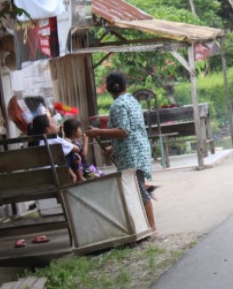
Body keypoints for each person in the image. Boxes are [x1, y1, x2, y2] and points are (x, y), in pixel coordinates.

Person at [85, 71, 157, 234]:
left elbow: (124, 131)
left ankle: (152, 227)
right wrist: (113, 147)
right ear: (125, 86)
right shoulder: (132, 100)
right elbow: (132, 129)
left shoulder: (118, 105)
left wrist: (98, 132)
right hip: (138, 150)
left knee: (138, 190)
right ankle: (143, 226)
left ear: (109, 88)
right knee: (136, 189)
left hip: (131, 154)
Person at [30, 113, 82, 182]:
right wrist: (67, 141)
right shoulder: (54, 139)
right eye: (52, 122)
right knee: (70, 152)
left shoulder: (32, 143)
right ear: (47, 129)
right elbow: (77, 149)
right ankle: (80, 178)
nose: (55, 124)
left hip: (36, 179)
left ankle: (77, 177)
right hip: (54, 178)